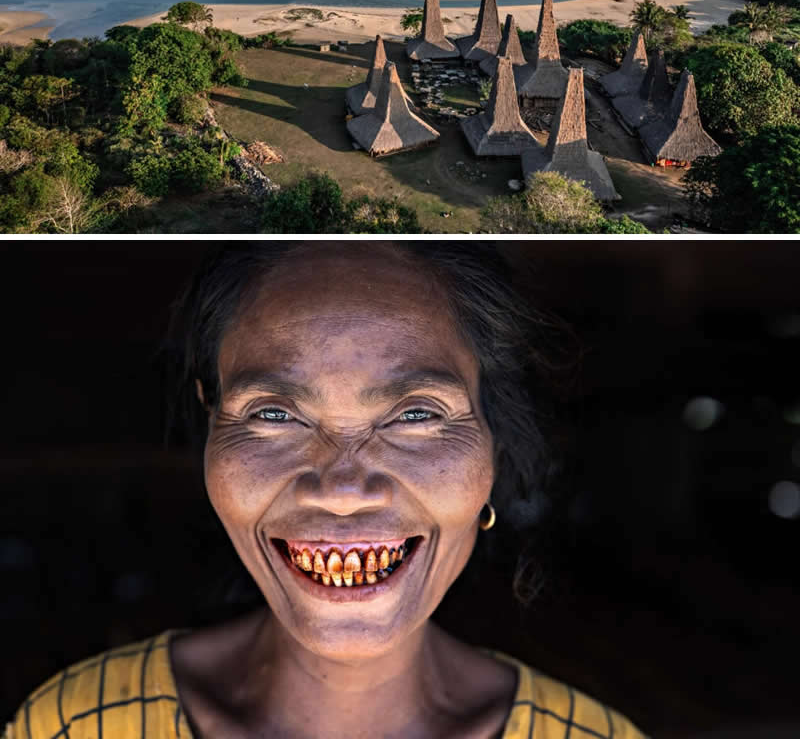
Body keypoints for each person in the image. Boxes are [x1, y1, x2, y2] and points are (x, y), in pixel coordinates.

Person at [7, 241, 648, 739]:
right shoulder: (77, 723)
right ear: (211, 421)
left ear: (493, 444)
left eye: (417, 414)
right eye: (274, 415)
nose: (342, 489)